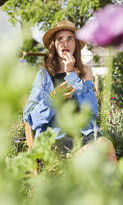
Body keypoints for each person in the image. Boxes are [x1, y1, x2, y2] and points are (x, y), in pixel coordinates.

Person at [23, 20, 117, 163]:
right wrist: (51, 100)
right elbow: (31, 119)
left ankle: (118, 185)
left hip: (84, 134)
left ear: (76, 45)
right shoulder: (43, 75)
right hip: (55, 138)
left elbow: (91, 111)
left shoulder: (85, 71)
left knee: (105, 144)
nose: (65, 43)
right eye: (59, 39)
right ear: (54, 45)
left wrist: (71, 74)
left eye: (70, 39)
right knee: (89, 154)